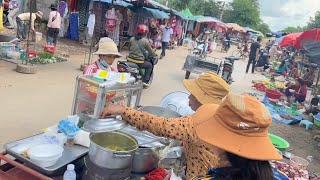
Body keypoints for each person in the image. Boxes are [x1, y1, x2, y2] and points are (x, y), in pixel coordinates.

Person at [100, 93, 282, 179]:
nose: (188, 97)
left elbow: (160, 125)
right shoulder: (267, 173)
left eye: (193, 94)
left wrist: (124, 111)